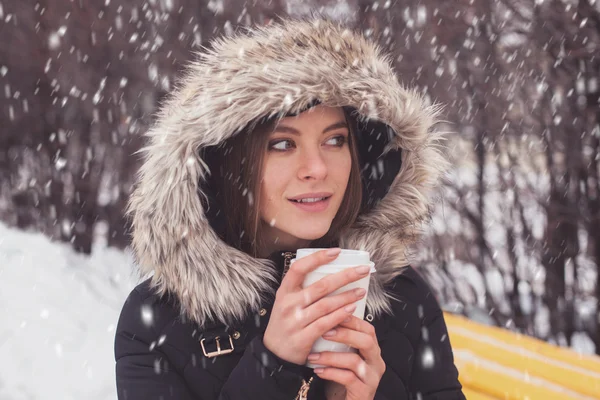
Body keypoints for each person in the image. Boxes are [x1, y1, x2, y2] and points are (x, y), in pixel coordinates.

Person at [114, 15, 466, 400]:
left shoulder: (403, 298)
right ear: (230, 164)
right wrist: (272, 365)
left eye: (335, 141)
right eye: (283, 144)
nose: (317, 169)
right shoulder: (158, 323)